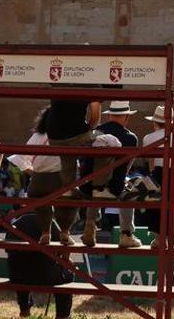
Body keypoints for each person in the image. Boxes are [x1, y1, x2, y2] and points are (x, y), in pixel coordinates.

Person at [10, 108, 76, 246]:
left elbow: (20, 159)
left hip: (37, 182)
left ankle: (45, 233)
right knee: (71, 202)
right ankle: (65, 233)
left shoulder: (36, 136)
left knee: (41, 207)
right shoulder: (67, 134)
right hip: (60, 180)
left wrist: (35, 173)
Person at [84, 100, 142, 248]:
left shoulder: (95, 132)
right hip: (115, 188)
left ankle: (90, 223)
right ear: (126, 117)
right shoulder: (131, 138)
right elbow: (126, 168)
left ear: (109, 115)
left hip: (89, 187)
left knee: (97, 183)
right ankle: (126, 234)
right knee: (129, 189)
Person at [140, 104, 174, 249]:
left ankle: (159, 238)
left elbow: (151, 166)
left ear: (154, 122)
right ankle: (172, 237)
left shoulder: (148, 138)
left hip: (162, 177)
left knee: (153, 189)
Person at [6, 212, 75, 319]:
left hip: (18, 277)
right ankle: (63, 315)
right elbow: (65, 254)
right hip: (46, 277)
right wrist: (67, 260)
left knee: (18, 265)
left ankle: (24, 308)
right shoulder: (51, 224)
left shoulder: (16, 224)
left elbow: (9, 252)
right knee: (67, 275)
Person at [45, 95, 100, 194]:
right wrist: (90, 130)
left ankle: (68, 189)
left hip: (53, 136)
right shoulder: (92, 86)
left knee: (67, 159)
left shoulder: (60, 84)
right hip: (76, 134)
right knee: (109, 141)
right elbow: (95, 118)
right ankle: (100, 187)